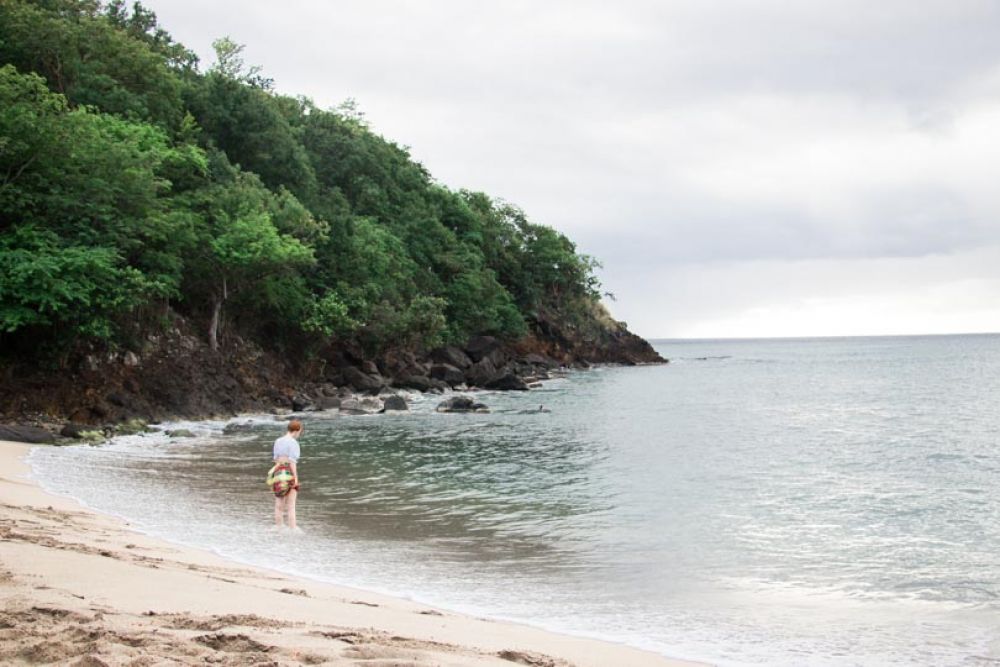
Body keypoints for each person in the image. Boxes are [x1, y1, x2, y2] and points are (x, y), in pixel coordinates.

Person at [270, 420, 303, 529]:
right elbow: (292, 463)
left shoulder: (278, 441)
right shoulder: (294, 443)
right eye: (300, 432)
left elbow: (275, 459)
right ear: (297, 431)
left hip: (278, 471)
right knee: (291, 505)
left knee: (279, 505)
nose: (299, 434)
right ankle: (293, 530)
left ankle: (278, 528)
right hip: (289, 471)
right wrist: (296, 479)